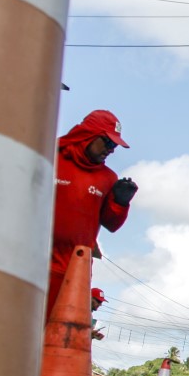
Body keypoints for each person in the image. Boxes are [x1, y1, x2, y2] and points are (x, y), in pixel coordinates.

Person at [50, 110, 136, 319]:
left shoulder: (107, 178)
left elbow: (112, 224)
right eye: (107, 142)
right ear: (87, 134)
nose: (111, 150)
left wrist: (121, 202)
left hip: (73, 271)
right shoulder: (50, 156)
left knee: (58, 334)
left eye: (114, 146)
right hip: (32, 261)